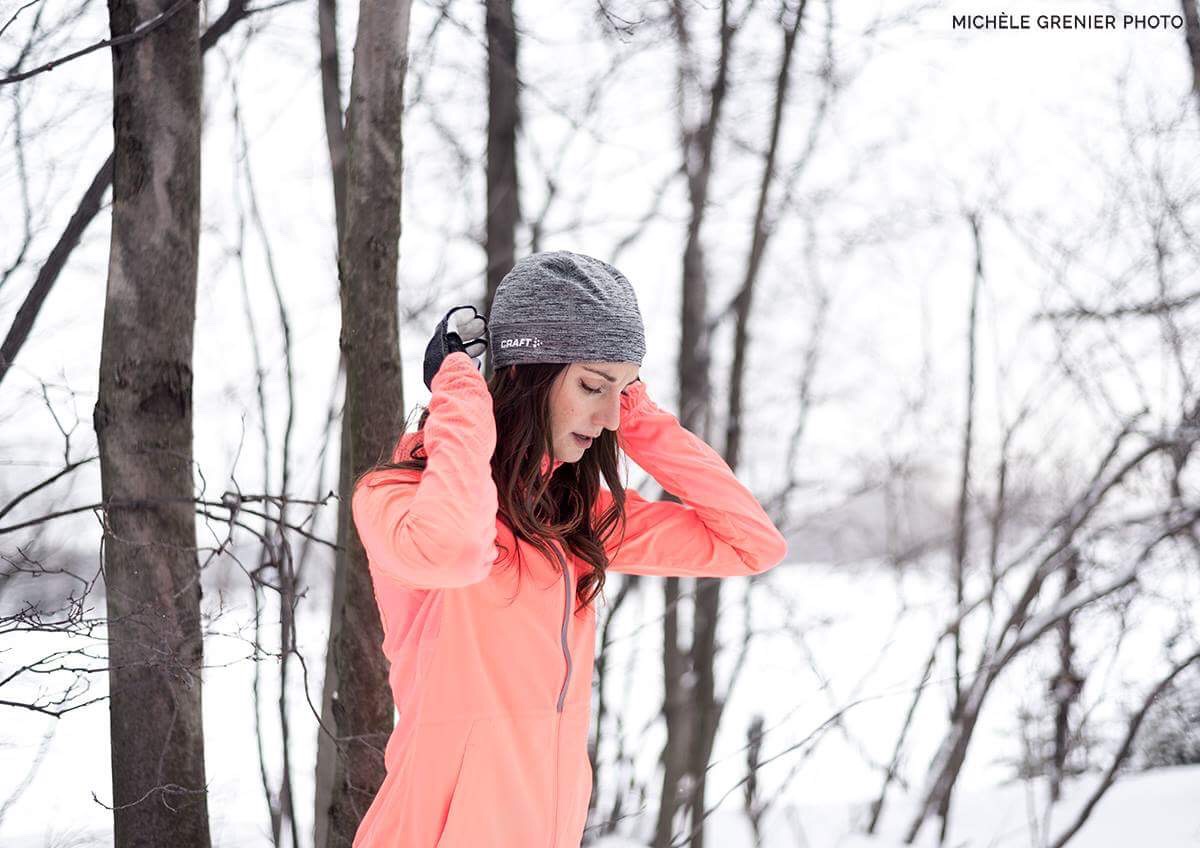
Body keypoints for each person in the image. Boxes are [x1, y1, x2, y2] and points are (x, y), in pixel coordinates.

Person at [350, 250, 789, 847]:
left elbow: (751, 544)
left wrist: (635, 410)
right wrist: (459, 386)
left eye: (620, 391)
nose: (607, 417)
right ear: (530, 375)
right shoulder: (399, 498)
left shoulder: (573, 524)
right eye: (591, 385)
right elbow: (453, 549)